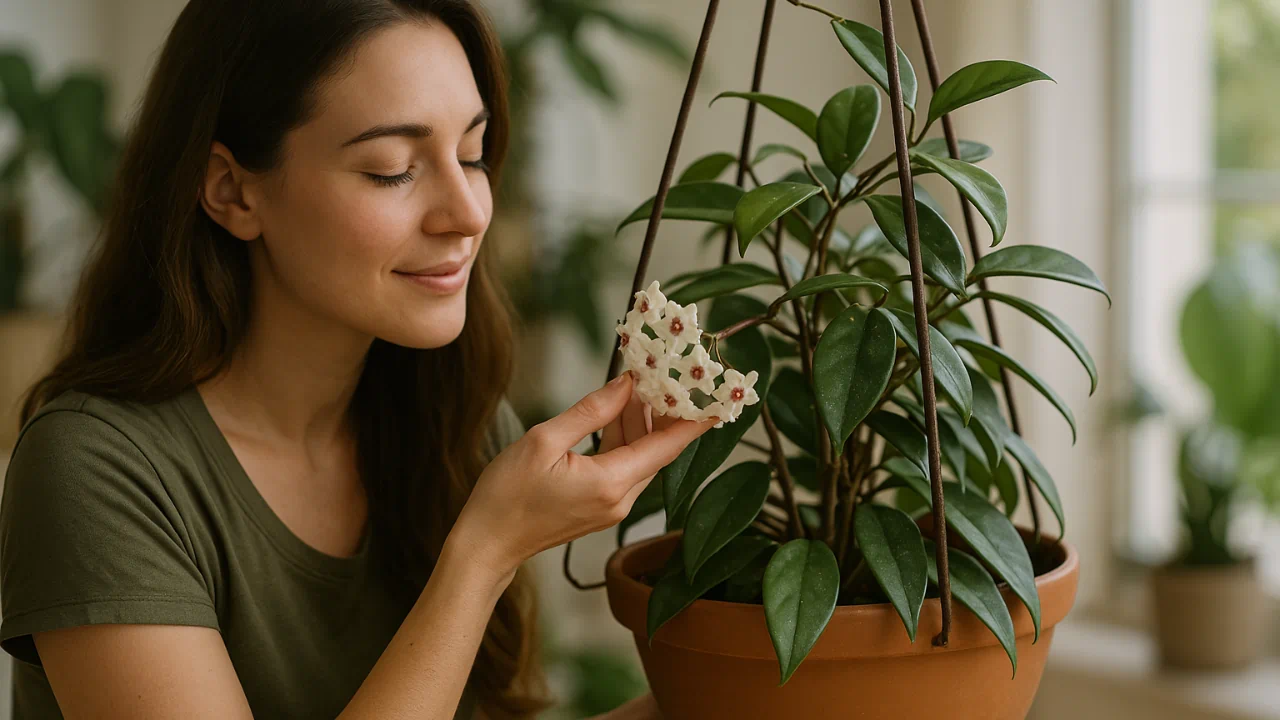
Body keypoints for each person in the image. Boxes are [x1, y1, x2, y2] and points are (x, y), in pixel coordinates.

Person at [0, 1, 715, 718]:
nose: (467, 212)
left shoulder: (453, 424)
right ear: (231, 191)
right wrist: (485, 551)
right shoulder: (97, 472)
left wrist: (728, 687)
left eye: (472, 154)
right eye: (392, 170)